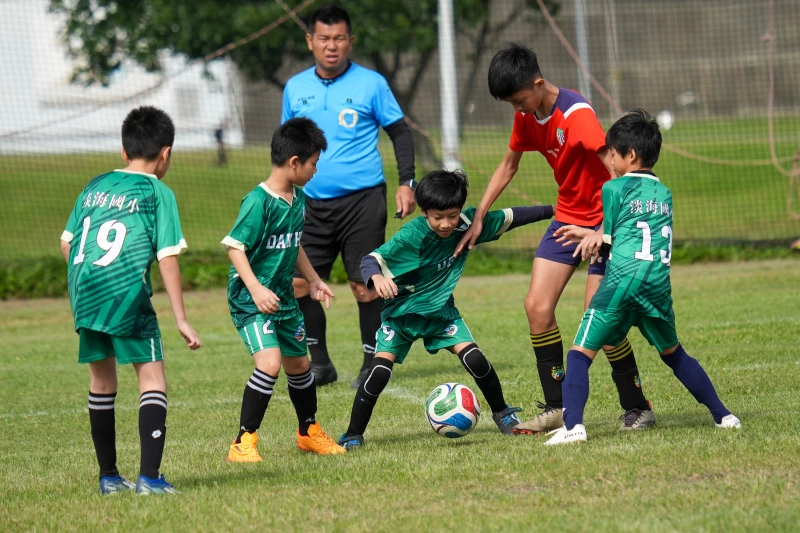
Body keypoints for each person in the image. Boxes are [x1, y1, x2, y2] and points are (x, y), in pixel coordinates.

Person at [456, 43, 653, 434]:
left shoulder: (577, 115)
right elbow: (509, 165)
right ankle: (556, 407)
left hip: (603, 222)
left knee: (600, 319)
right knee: (537, 307)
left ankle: (638, 406)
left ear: (538, 82)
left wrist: (606, 230)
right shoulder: (528, 114)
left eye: (518, 100)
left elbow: (616, 171)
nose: (517, 110)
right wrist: (479, 215)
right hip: (567, 218)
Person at [545, 109, 741, 444]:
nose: (607, 158)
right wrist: (591, 233)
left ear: (631, 155)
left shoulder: (614, 187)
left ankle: (573, 427)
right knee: (675, 354)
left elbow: (607, 241)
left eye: (612, 152)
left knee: (579, 353)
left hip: (621, 284)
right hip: (656, 286)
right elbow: (630, 235)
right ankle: (724, 415)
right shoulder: (665, 195)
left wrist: (591, 238)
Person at [337, 169, 554, 450]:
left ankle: (502, 413)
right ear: (425, 212)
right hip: (402, 313)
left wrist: (555, 210)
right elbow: (371, 260)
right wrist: (377, 278)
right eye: (437, 217)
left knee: (475, 358)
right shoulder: (412, 236)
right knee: (378, 372)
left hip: (440, 313)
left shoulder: (467, 224)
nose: (446, 224)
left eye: (452, 215)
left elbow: (511, 217)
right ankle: (353, 433)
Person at [59, 106, 202, 495]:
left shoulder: (95, 185)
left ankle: (108, 478)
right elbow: (167, 256)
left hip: (85, 292)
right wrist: (181, 318)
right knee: (152, 378)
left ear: (124, 151)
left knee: (102, 382)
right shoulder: (157, 191)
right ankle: (150, 479)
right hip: (124, 293)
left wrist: (86, 283)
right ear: (166, 153)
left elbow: (67, 242)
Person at [282, 4, 417, 388]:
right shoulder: (295, 88)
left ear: (350, 41)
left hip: (363, 200)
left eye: (339, 38)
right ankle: (320, 363)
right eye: (323, 38)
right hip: (310, 204)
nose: (331, 46)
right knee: (300, 284)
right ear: (310, 41)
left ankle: (372, 362)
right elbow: (287, 146)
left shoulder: (371, 84)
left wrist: (407, 181)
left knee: (365, 284)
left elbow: (400, 132)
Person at [224, 118, 345, 462]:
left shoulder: (298, 197)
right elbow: (235, 248)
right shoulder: (258, 202)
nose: (315, 171)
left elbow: (295, 245)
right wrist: (257, 289)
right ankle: (242, 442)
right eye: (313, 164)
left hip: (284, 297)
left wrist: (314, 279)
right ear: (295, 162)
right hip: (252, 298)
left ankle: (308, 432)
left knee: (300, 366)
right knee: (270, 363)